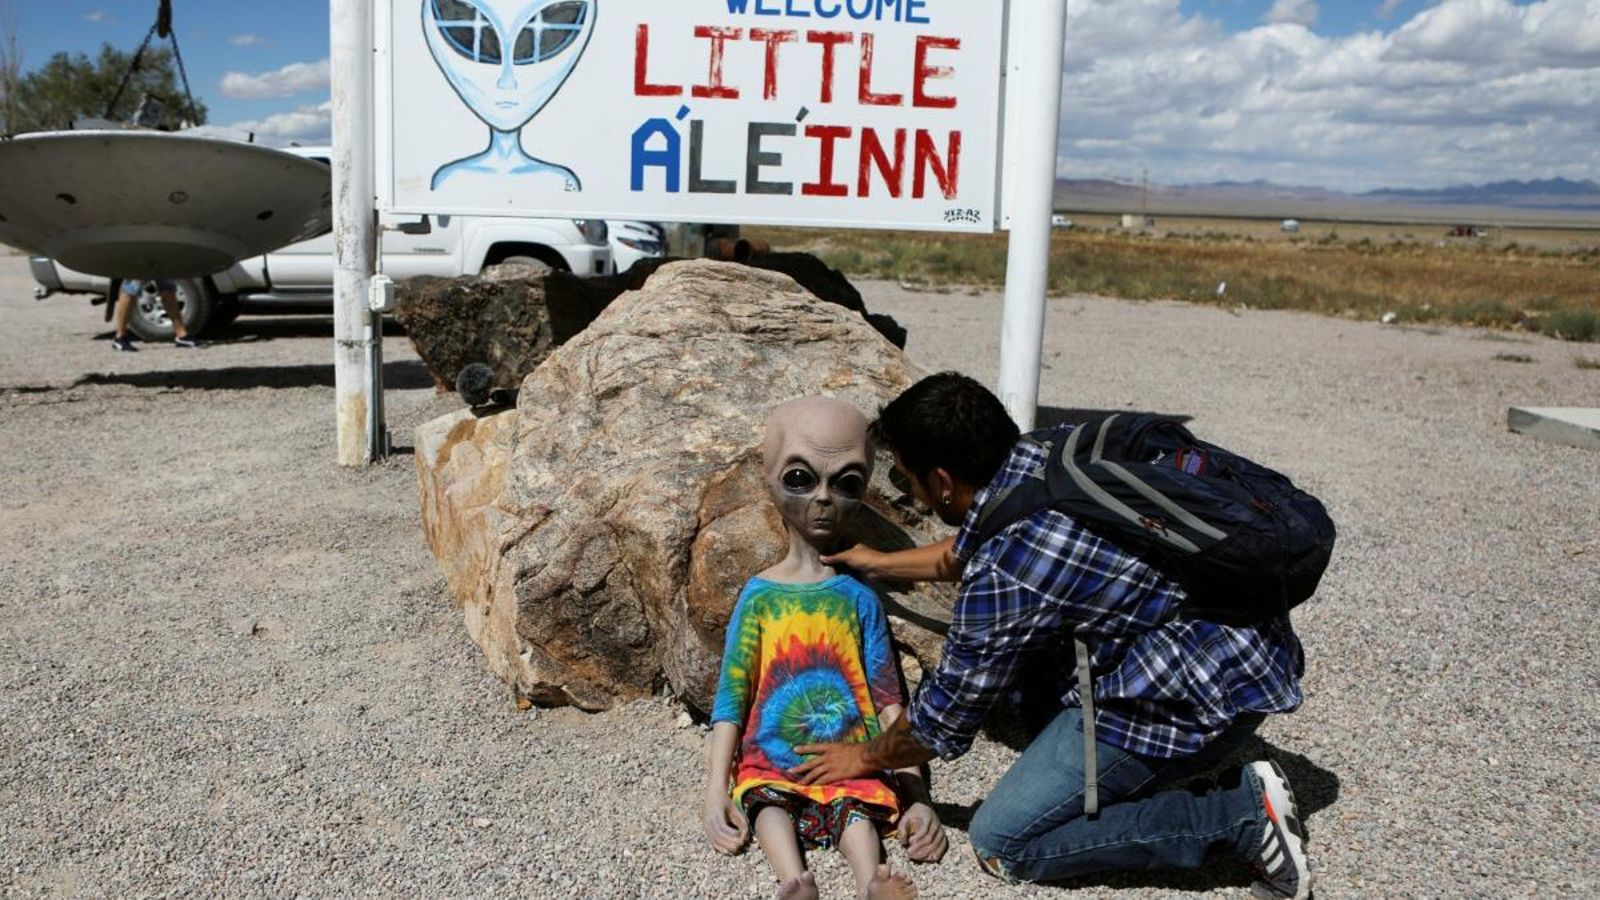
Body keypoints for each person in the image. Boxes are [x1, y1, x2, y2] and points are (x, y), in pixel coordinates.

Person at [792, 373, 1312, 900]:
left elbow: (942, 723)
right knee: (1031, 692)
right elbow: (971, 547)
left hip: (1201, 697)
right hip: (1238, 645)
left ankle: (1241, 816)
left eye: (909, 482)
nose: (914, 495)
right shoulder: (1043, 452)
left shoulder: (1010, 568)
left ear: (943, 481)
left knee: (1004, 839)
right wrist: (882, 563)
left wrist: (859, 758)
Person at [703, 396, 947, 900]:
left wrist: (915, 793)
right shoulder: (759, 596)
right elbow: (732, 696)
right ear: (768, 474)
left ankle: (870, 883)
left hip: (854, 757)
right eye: (799, 478)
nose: (823, 499)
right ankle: (794, 882)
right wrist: (714, 791)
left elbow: (887, 701)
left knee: (856, 809)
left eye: (847, 483)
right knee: (768, 803)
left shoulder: (859, 598)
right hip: (772, 754)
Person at [110, 279, 203, 351]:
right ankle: (120, 337)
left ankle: (182, 335)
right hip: (139, 256)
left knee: (167, 287)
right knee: (131, 286)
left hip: (158, 256)